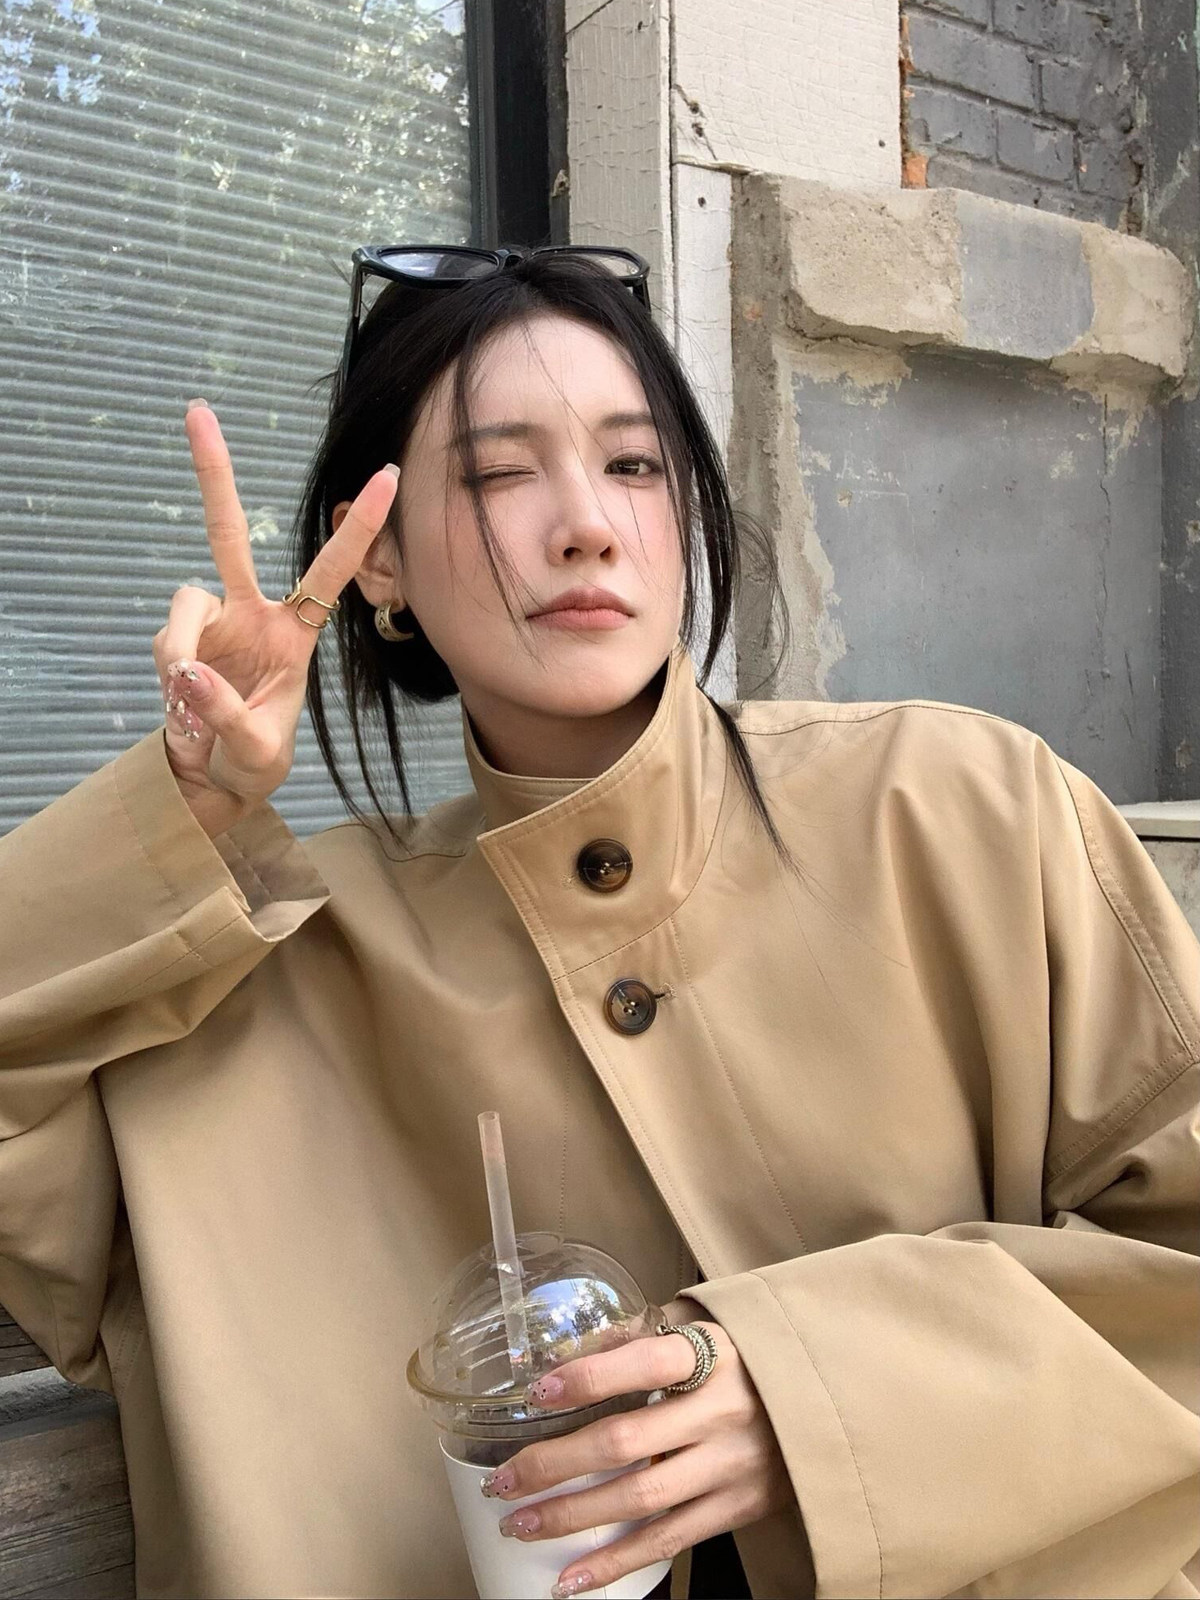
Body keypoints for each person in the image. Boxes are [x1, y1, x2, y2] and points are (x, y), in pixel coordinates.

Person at [1, 244, 1197, 1600]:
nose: (586, 524)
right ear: (377, 557)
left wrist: (817, 1397)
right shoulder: (282, 965)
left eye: (634, 465)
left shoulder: (962, 810)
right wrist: (183, 812)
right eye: (500, 474)